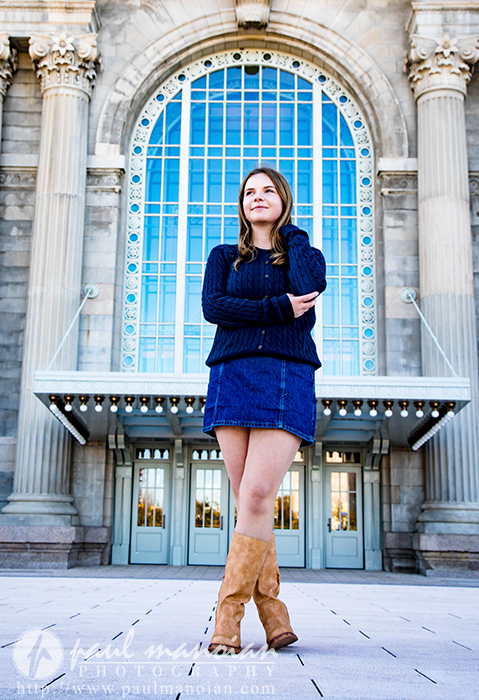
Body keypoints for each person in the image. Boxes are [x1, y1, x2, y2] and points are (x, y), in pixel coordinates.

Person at [201, 166, 327, 653]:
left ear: (283, 199)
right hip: (232, 375)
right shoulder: (223, 256)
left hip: (286, 373)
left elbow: (309, 290)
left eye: (267, 191)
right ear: (240, 204)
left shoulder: (302, 251)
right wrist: (277, 308)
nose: (257, 197)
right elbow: (215, 307)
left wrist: (290, 233)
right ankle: (274, 615)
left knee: (255, 495)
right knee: (247, 502)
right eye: (249, 192)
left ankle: (226, 617)